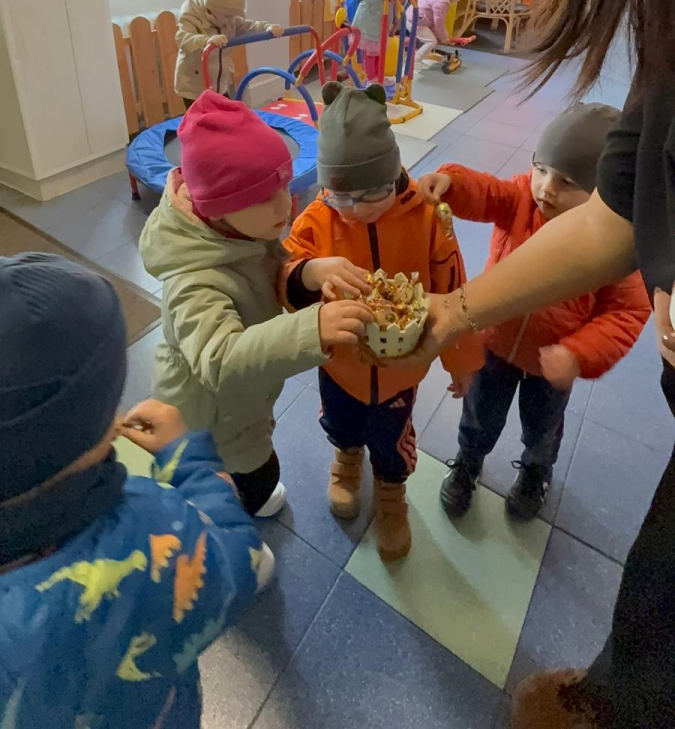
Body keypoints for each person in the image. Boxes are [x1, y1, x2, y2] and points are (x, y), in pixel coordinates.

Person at [394, 0, 675, 729]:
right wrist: (457, 311)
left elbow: (617, 287)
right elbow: (603, 210)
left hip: (552, 375)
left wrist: (579, 349)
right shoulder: (663, 14)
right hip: (510, 359)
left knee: (536, 444)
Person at [0, 253, 270, 729]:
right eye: (107, 403)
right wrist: (192, 464)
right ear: (69, 436)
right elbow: (240, 561)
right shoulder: (152, 527)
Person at [139, 89, 372, 519]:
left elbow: (268, 273)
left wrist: (307, 273)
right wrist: (312, 328)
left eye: (283, 185)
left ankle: (253, 495)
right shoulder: (193, 281)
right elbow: (221, 359)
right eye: (264, 196)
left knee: (257, 462)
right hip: (205, 421)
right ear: (219, 206)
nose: (286, 202)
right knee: (228, 489)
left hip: (244, 405)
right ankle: (236, 537)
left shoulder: (239, 231)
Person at [418, 104, 650, 520]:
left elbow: (628, 312)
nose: (546, 188)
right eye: (541, 169)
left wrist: (579, 353)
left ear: (601, 194)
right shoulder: (522, 198)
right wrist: (452, 182)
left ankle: (535, 472)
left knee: (543, 429)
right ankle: (468, 462)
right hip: (494, 343)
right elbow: (488, 193)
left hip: (551, 364)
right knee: (479, 416)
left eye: (567, 181)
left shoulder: (610, 244)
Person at [282, 81, 483, 561]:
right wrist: (310, 272)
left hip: (400, 371)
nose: (358, 209)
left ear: (393, 173)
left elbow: (455, 290)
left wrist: (461, 360)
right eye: (342, 196)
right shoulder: (318, 218)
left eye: (372, 192)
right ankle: (346, 463)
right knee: (340, 421)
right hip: (339, 364)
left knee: (392, 442)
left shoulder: (427, 218)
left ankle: (391, 496)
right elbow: (286, 272)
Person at [174, 0, 283, 103]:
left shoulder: (229, 19)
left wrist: (267, 27)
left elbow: (247, 26)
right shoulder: (192, 14)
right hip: (194, 87)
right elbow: (183, 38)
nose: (230, 19)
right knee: (204, 116)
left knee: (226, 112)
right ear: (212, 7)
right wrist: (206, 41)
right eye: (227, 15)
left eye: (233, 15)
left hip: (219, 83)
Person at [407, 0, 467, 72]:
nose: (459, 0)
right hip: (415, 20)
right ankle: (415, 62)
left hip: (414, 17)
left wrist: (441, 36)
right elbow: (439, 21)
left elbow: (435, 21)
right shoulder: (442, 1)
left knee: (431, 40)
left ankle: (417, 58)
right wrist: (443, 37)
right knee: (431, 41)